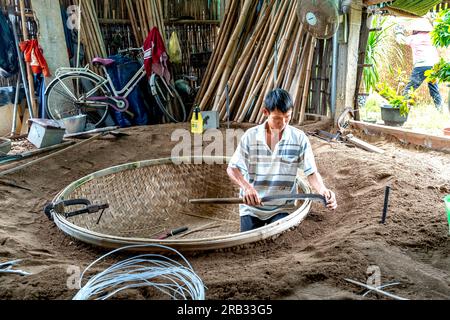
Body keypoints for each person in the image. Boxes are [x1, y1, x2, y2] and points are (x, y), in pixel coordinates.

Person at [227, 89, 337, 232]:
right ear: (265, 112)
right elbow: (232, 168)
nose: (283, 123)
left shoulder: (299, 138)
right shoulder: (250, 136)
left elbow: (311, 172)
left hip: (282, 207)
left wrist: (323, 190)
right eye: (277, 119)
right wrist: (247, 187)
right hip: (252, 207)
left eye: (287, 117)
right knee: (248, 244)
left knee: (278, 240)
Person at [395, 18, 443, 111]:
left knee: (410, 88)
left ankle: (401, 109)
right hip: (433, 66)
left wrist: (398, 31)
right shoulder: (432, 37)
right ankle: (440, 110)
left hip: (421, 67)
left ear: (416, 29)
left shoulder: (414, 38)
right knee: (434, 89)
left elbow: (400, 40)